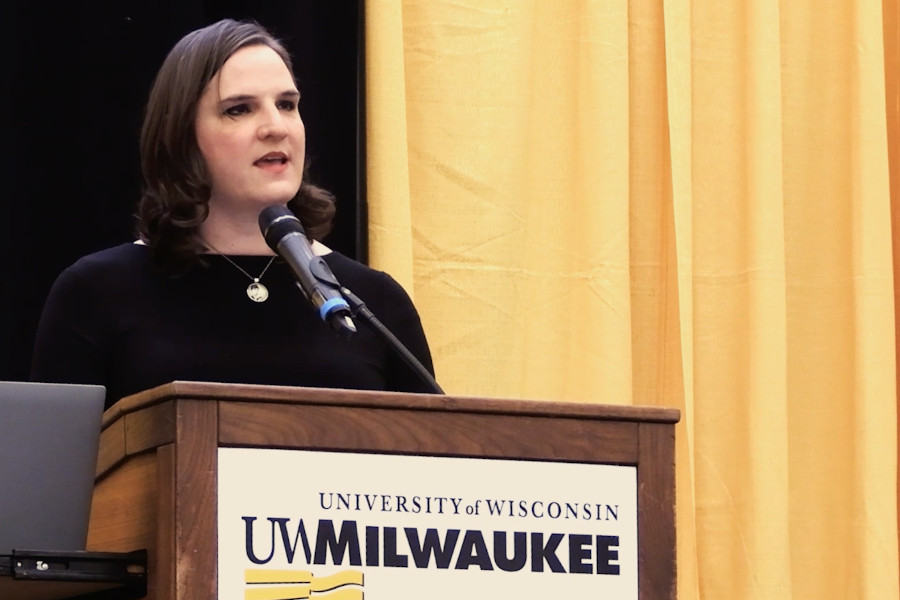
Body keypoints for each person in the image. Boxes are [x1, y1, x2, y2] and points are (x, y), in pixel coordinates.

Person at [30, 19, 437, 409]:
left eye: (287, 104)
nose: (276, 127)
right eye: (239, 109)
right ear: (182, 136)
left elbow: (435, 468)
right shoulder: (96, 293)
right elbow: (49, 470)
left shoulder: (372, 302)